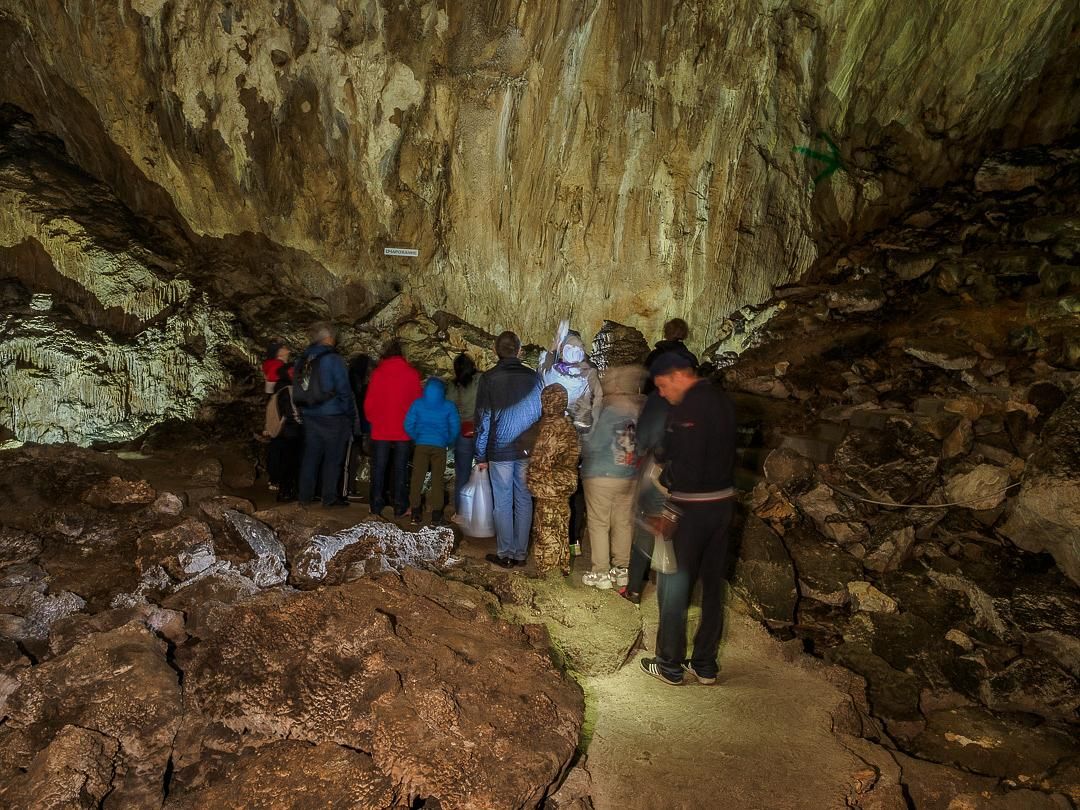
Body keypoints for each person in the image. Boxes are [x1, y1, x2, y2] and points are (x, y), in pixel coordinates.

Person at [640, 352, 737, 687]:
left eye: (664, 386)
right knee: (712, 587)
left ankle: (669, 664)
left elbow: (689, 465)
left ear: (680, 374)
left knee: (674, 586)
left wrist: (668, 506)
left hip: (691, 509)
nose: (663, 394)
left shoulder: (689, 408)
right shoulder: (723, 401)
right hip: (723, 506)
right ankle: (706, 664)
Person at [475, 331, 543, 568]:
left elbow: (484, 420)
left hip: (500, 448)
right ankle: (521, 554)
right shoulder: (535, 378)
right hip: (526, 449)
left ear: (496, 350)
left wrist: (480, 453)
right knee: (524, 498)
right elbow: (538, 415)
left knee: (503, 501)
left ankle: (505, 553)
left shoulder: (489, 378)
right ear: (519, 350)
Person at [580, 365, 646, 588]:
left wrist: (582, 438)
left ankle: (601, 572)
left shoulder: (609, 410)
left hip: (601, 474)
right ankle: (622, 568)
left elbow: (594, 443)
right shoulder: (636, 411)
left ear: (616, 385)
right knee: (624, 522)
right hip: (629, 474)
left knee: (599, 523)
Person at [538, 321, 602, 551]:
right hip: (579, 436)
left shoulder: (553, 373)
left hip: (554, 436)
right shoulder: (588, 374)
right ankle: (573, 539)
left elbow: (542, 366)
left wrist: (554, 347)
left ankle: (551, 535)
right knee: (574, 488)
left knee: (552, 486)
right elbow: (599, 400)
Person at [618, 388, 671, 604]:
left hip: (658, 480)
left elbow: (644, 442)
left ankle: (634, 590)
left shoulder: (659, 404)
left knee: (645, 537)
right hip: (681, 487)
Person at [293, 323, 354, 508]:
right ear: (328, 339)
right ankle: (329, 497)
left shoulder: (302, 359)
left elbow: (298, 386)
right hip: (332, 415)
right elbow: (344, 388)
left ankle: (304, 497)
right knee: (333, 458)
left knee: (311, 456)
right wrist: (349, 413)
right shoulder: (333, 359)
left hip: (310, 414)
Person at [526, 384, 581, 576]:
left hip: (549, 485)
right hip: (565, 482)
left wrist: (530, 474)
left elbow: (543, 461)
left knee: (546, 528)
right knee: (561, 527)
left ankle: (548, 572)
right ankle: (562, 566)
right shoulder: (568, 424)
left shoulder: (550, 428)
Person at [364, 341, 422, 517]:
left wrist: (372, 419)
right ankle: (400, 506)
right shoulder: (412, 374)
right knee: (401, 469)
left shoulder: (378, 373)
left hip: (381, 428)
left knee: (378, 468)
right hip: (403, 429)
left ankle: (375, 505)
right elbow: (417, 402)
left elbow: (370, 402)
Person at [404, 378, 460, 526]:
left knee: (417, 479)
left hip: (421, 445)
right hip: (439, 446)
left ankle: (415, 514)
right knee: (437, 481)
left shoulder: (418, 404)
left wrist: (417, 437)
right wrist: (448, 440)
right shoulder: (448, 406)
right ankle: (436, 516)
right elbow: (455, 427)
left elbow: (408, 424)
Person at [447, 353, 480, 515]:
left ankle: (461, 512)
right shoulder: (480, 380)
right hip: (481, 431)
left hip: (462, 433)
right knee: (485, 472)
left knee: (462, 474)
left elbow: (449, 409)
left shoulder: (453, 386)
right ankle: (483, 511)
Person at [266, 365, 303, 502]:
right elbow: (291, 412)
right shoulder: (288, 390)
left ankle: (286, 491)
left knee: (286, 463)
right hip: (291, 433)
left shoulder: (279, 389)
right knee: (291, 464)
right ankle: (287, 492)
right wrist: (302, 423)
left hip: (284, 433)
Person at [343, 354, 373, 498]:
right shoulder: (356, 384)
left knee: (352, 458)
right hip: (357, 425)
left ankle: (348, 488)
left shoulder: (353, 381)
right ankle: (348, 489)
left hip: (357, 424)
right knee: (351, 458)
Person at [643, 318, 697, 395]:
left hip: (659, 400)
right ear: (684, 334)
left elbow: (647, 382)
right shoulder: (691, 358)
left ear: (666, 333)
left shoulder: (656, 355)